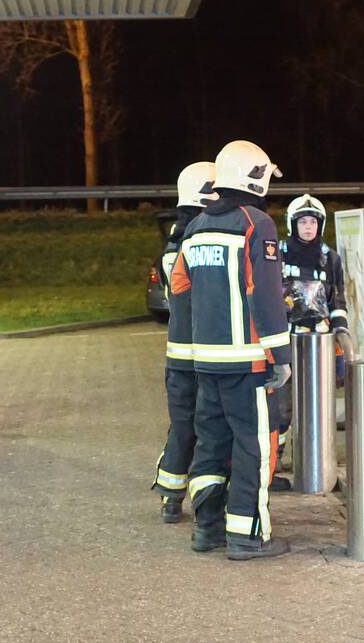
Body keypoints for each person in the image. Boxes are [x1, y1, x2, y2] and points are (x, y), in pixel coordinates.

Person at [170, 139, 292, 560]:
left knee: (211, 443)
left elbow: (180, 287)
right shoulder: (256, 223)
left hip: (205, 362)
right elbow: (267, 296)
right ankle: (248, 535)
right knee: (253, 446)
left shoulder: (196, 226)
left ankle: (207, 529)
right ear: (255, 178)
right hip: (249, 362)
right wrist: (282, 355)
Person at [152, 161, 216, 523]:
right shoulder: (195, 242)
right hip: (204, 355)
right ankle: (190, 497)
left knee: (183, 424)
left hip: (180, 357)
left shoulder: (175, 241)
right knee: (203, 426)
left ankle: (171, 495)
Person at [272, 194, 349, 489]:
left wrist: (341, 330)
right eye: (302, 222)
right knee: (281, 403)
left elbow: (337, 298)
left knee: (316, 402)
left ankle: (314, 457)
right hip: (286, 337)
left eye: (312, 222)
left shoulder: (330, 257)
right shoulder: (277, 253)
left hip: (319, 341)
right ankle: (275, 456)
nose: (308, 227)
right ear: (293, 224)